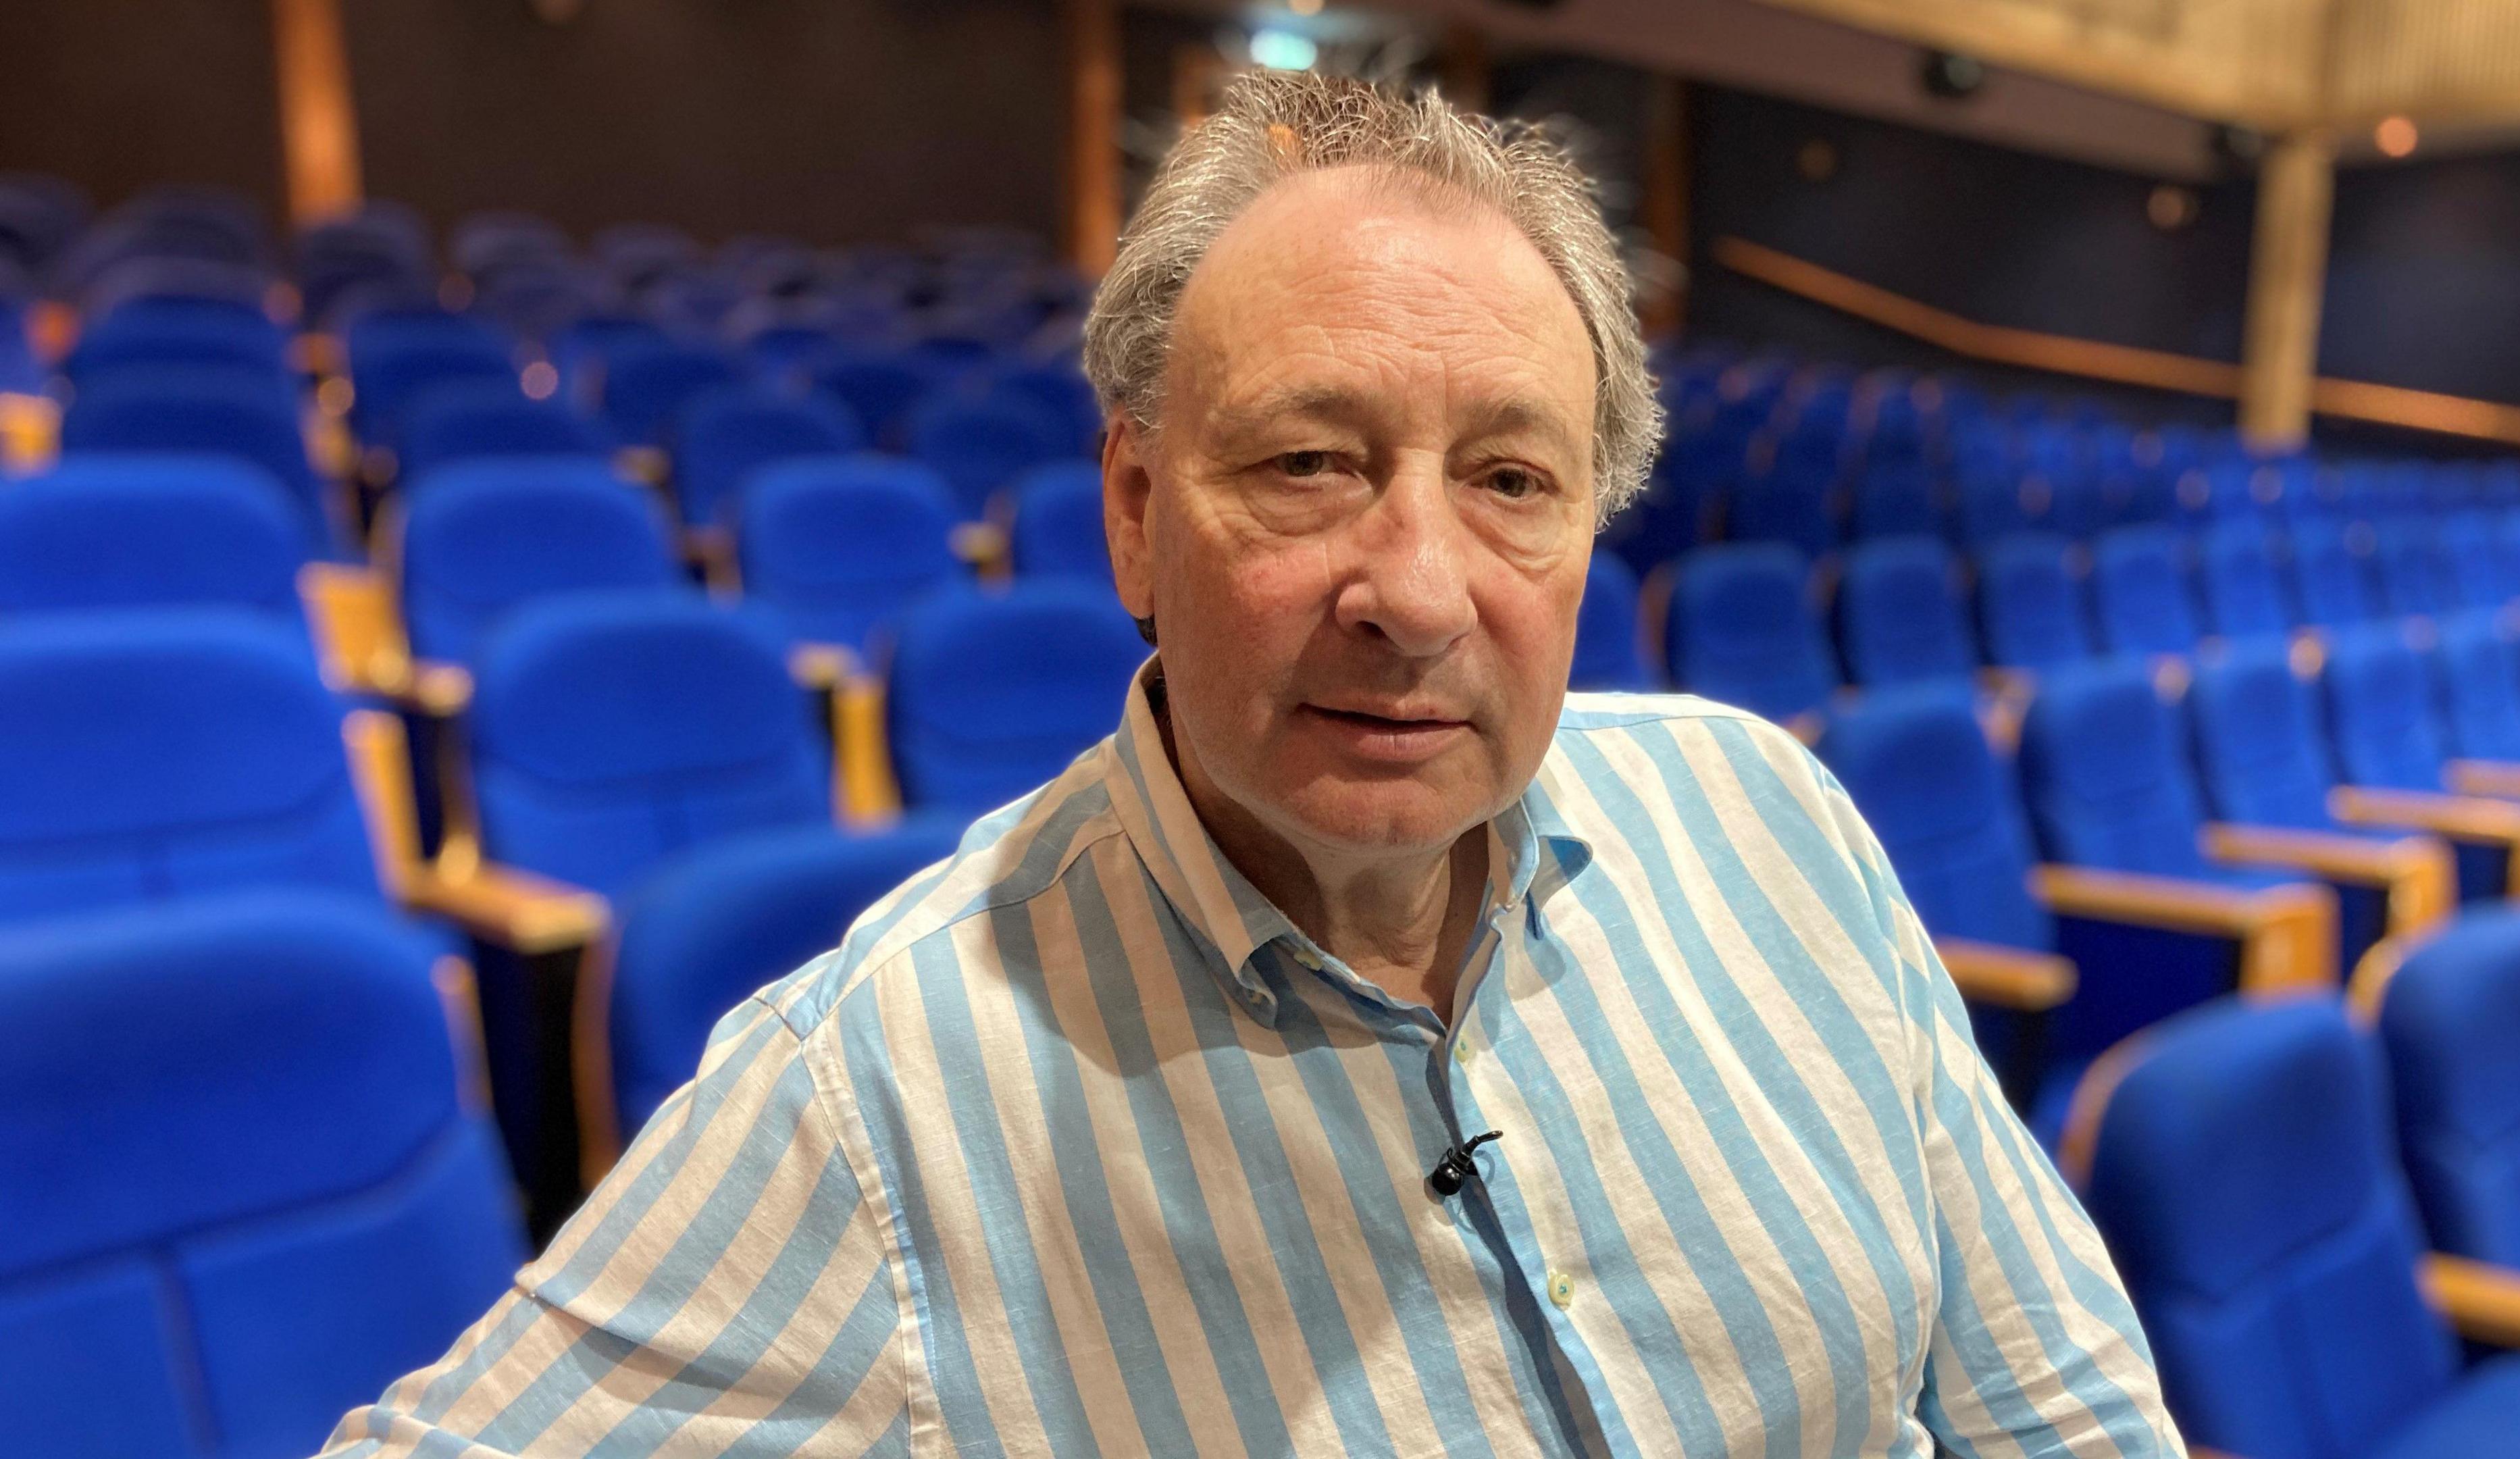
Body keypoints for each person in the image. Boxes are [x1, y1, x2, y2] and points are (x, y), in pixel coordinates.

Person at [319, 72, 2183, 1458]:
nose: (1419, 590)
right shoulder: (871, 1097)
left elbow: (2059, 1402)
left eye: (1514, 482)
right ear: (1136, 514)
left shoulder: (1773, 824)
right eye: (1309, 463)